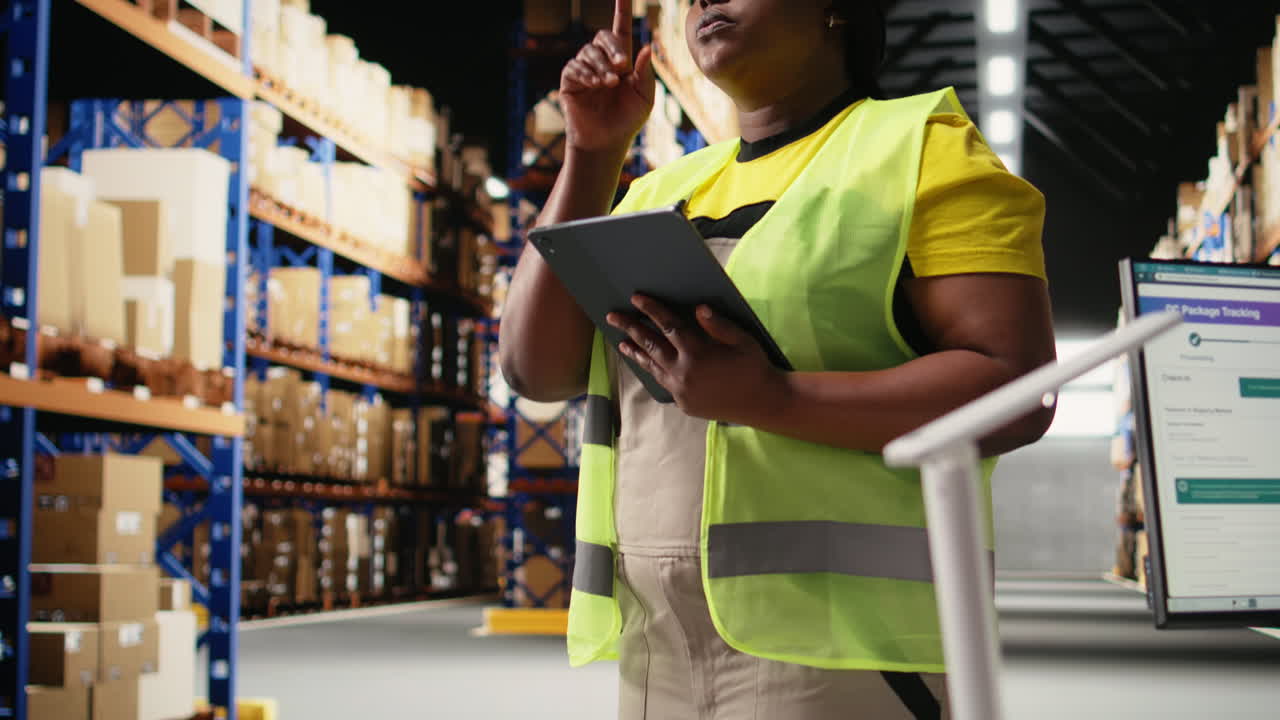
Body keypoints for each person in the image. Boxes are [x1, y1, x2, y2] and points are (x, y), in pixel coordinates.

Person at [499, 0, 1057, 717]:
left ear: (835, 10)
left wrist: (772, 400)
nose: (701, 1)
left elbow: (1017, 387)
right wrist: (592, 154)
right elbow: (532, 368)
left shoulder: (922, 147)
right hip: (658, 647)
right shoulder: (659, 191)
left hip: (841, 652)